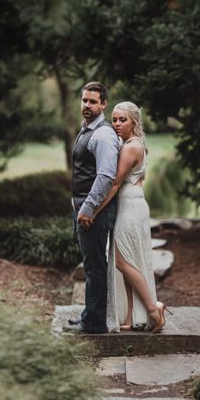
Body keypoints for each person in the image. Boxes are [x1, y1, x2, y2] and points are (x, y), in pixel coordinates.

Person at [94, 101, 167, 333]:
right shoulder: (133, 143)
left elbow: (114, 184)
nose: (116, 123)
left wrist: (93, 210)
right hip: (132, 203)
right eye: (114, 119)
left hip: (130, 206)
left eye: (122, 119)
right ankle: (131, 316)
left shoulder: (131, 147)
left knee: (123, 262)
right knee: (127, 261)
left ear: (134, 121)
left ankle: (154, 310)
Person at [66, 81, 122, 333]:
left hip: (94, 213)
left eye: (92, 101)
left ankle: (95, 322)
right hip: (84, 209)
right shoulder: (87, 129)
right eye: (84, 100)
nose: (87, 105)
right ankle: (90, 314)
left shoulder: (103, 134)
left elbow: (105, 176)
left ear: (103, 104)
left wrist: (87, 208)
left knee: (95, 267)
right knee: (91, 266)